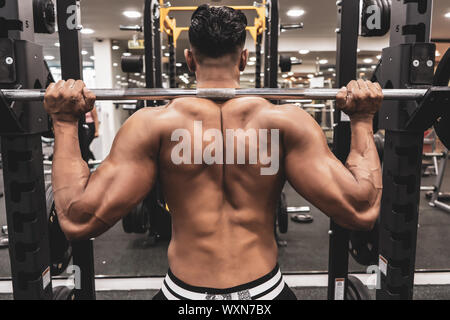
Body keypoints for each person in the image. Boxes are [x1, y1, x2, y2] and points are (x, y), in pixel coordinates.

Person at [43, 5, 383, 300]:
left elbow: (77, 219)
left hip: (184, 295)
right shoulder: (289, 122)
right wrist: (363, 119)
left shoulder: (151, 125)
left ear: (189, 58)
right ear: (245, 57)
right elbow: (361, 210)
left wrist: (63, 122)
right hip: (264, 295)